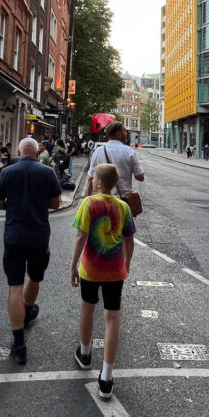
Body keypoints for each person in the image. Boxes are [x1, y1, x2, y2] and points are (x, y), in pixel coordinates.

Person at [0, 137, 62, 365]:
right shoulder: (47, 172)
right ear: (36, 151)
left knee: (14, 287)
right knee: (34, 278)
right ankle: (28, 310)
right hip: (38, 235)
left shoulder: (8, 172)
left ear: (20, 151)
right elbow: (55, 204)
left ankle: (19, 344)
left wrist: (13, 204)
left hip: (13, 235)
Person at [70, 163, 135, 400]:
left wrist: (73, 266)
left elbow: (80, 237)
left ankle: (85, 354)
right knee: (112, 317)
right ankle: (106, 377)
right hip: (115, 271)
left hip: (91, 269)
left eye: (94, 178)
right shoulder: (123, 207)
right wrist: (126, 265)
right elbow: (129, 240)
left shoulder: (89, 204)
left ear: (98, 182)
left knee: (88, 308)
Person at [86, 121, 145, 201]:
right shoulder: (129, 151)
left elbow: (90, 179)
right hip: (123, 203)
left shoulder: (98, 151)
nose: (126, 133)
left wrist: (87, 202)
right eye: (124, 131)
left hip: (103, 202)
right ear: (118, 134)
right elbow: (140, 177)